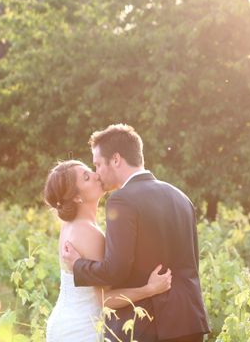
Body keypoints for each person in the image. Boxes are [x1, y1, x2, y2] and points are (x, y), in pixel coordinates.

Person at [62, 124, 210, 342]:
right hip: (189, 322)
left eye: (98, 164)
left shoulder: (122, 200)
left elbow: (115, 269)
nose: (97, 173)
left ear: (116, 160)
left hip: (147, 327)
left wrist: (78, 266)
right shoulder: (181, 197)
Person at [44, 160, 173, 342]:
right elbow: (106, 300)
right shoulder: (89, 233)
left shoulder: (70, 226)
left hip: (65, 323)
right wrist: (149, 289)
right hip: (82, 329)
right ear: (77, 197)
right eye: (87, 177)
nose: (96, 175)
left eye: (90, 170)